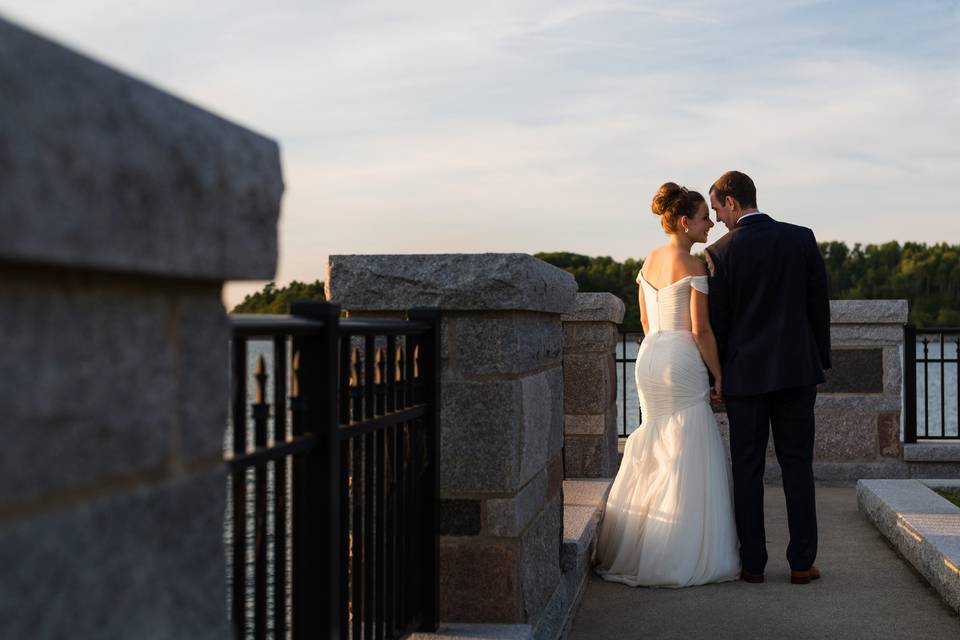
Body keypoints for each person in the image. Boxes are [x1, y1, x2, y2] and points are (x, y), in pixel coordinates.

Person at [594, 182, 740, 588]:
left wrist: (657, 346)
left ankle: (641, 545)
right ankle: (677, 549)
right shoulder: (693, 267)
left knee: (656, 439)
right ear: (683, 221)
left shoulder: (648, 262)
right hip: (680, 356)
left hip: (650, 354)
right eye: (703, 218)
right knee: (686, 442)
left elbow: (643, 322)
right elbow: (702, 330)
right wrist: (719, 374)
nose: (710, 224)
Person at [704, 170, 831, 585]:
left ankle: (753, 564)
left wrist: (716, 376)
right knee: (798, 465)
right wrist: (819, 361)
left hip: (745, 377)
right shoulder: (801, 238)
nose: (718, 218)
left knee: (747, 468)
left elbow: (718, 324)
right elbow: (818, 308)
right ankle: (800, 563)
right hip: (797, 372)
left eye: (719, 208)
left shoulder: (721, 252)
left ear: (733, 202)